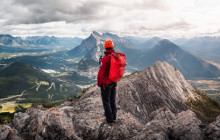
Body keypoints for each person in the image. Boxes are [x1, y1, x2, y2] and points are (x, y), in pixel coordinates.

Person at [97, 40, 117, 124]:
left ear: (105, 47)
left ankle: (109, 119)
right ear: (112, 47)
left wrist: (99, 83)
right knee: (112, 100)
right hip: (114, 82)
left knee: (106, 101)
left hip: (106, 83)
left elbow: (101, 73)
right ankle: (114, 116)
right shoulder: (116, 57)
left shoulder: (105, 59)